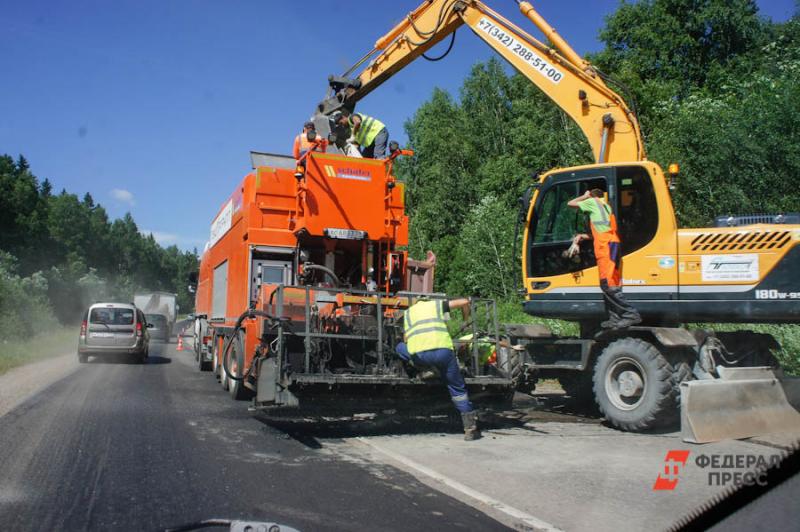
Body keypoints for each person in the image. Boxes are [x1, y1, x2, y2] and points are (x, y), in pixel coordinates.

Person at [396, 298, 481, 441]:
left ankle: (425, 369)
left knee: (399, 348)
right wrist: (465, 320)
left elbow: (406, 339)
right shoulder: (436, 305)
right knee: (458, 390)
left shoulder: (409, 313)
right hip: (444, 354)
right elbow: (465, 301)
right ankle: (470, 428)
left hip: (421, 356)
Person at [568, 188, 642, 329]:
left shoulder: (592, 202)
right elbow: (601, 230)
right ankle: (615, 318)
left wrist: (584, 195)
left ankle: (630, 314)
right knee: (609, 283)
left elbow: (570, 203)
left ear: (592, 196)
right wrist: (583, 236)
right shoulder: (606, 207)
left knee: (607, 284)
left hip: (606, 247)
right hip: (611, 244)